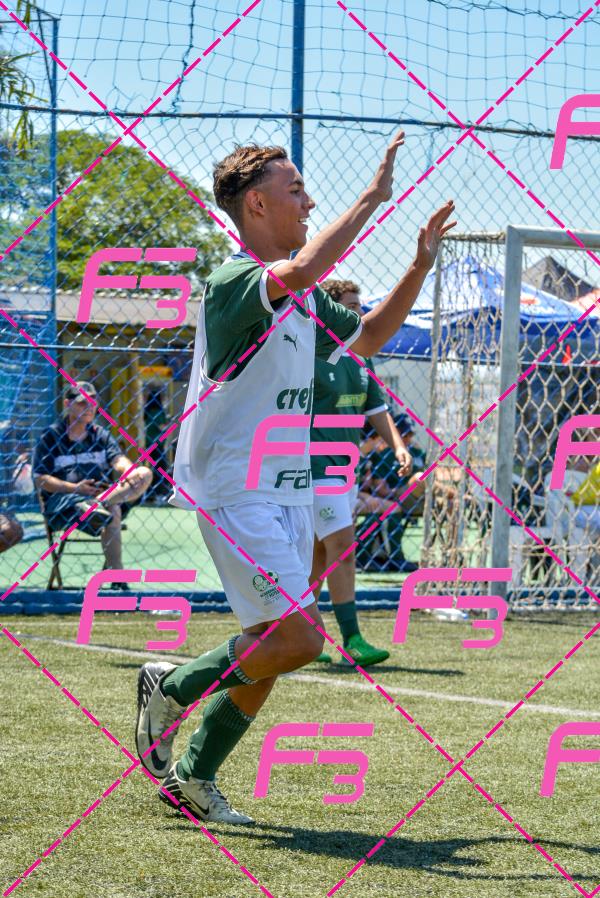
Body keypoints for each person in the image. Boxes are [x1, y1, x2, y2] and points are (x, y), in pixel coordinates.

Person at [135, 131, 456, 825]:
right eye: (296, 190)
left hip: (285, 489)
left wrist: (419, 265)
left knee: (271, 647)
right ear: (256, 204)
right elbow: (307, 266)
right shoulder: (234, 282)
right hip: (235, 488)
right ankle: (172, 686)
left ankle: (193, 776)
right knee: (300, 640)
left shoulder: (304, 299)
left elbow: (370, 337)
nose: (309, 202)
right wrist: (373, 197)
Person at [309, 278, 413, 667]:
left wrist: (398, 445)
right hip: (314, 468)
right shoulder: (310, 352)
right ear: (331, 311)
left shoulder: (360, 355)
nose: (360, 312)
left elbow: (376, 409)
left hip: (344, 472)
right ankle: (352, 639)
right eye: (351, 306)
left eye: (360, 305)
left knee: (319, 555)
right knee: (342, 547)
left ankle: (302, 637)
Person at [33, 381, 153, 584]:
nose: (89, 407)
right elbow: (40, 479)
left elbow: (118, 460)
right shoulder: (50, 436)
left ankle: (98, 504)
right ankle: (118, 578)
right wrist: (75, 488)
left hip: (101, 496)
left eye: (93, 402)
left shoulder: (100, 435)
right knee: (112, 510)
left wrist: (129, 471)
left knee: (144, 473)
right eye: (82, 402)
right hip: (65, 503)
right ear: (67, 404)